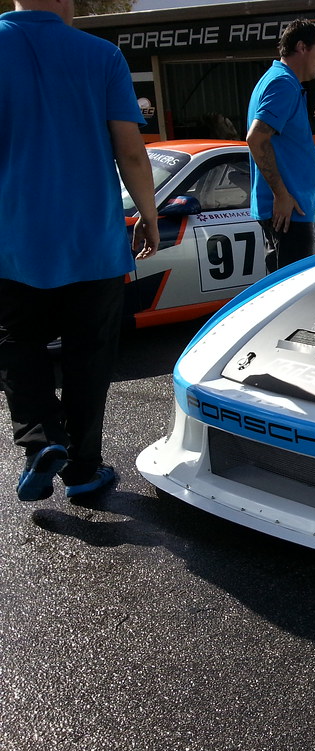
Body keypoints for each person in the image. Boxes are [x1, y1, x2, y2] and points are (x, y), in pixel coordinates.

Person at [0, 0, 159, 502]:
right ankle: (84, 470)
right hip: (93, 244)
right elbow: (131, 151)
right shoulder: (102, 56)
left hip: (13, 243)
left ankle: (42, 440)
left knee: (16, 345)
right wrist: (150, 216)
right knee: (89, 360)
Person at [246, 18, 315, 272]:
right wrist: (281, 194)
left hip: (290, 210)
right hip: (287, 213)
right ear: (302, 47)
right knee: (289, 297)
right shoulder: (283, 84)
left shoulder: (282, 81)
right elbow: (256, 138)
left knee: (287, 291)